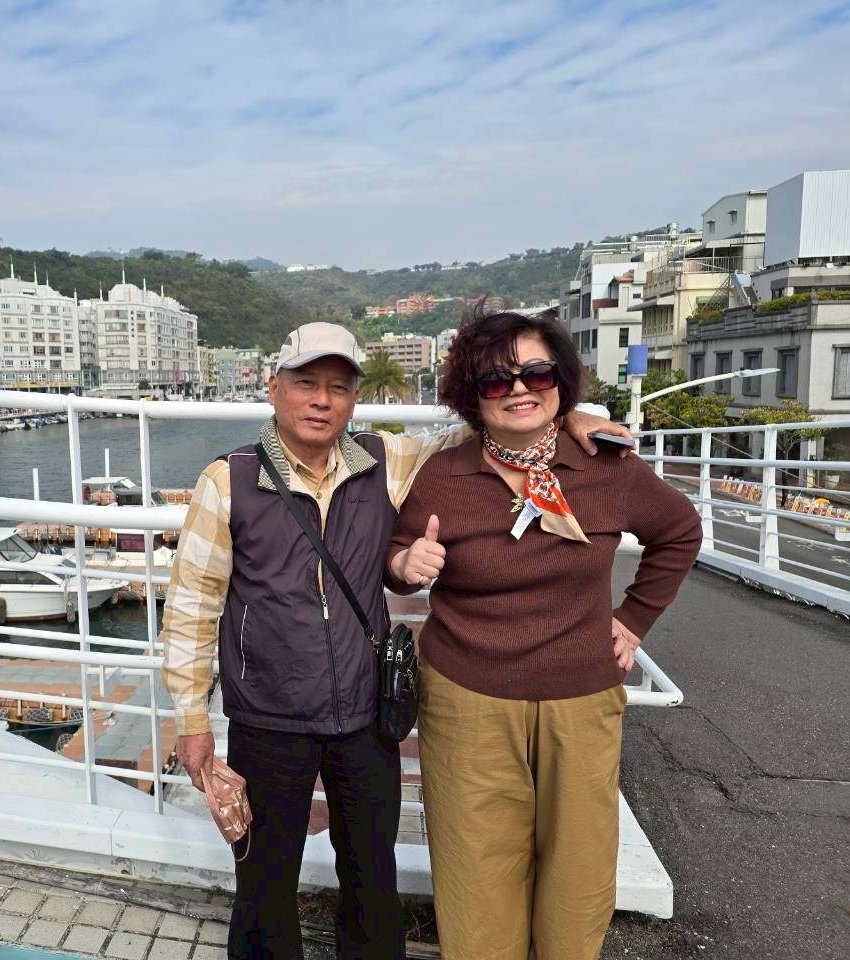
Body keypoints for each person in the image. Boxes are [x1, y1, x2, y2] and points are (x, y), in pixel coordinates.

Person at [160, 321, 631, 959]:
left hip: (364, 713)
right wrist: (191, 720)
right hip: (267, 715)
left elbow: (482, 432)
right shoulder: (229, 480)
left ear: (355, 399)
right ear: (273, 389)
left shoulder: (385, 461)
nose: (321, 400)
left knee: (372, 876)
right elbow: (192, 606)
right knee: (264, 881)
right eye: (305, 383)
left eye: (338, 387)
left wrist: (567, 416)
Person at [387, 307, 702, 960]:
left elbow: (679, 530)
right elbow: (396, 556)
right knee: (474, 875)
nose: (519, 389)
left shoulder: (605, 466)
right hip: (466, 696)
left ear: (561, 381)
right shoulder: (443, 475)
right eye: (496, 380)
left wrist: (634, 619)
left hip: (580, 697)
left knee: (579, 873)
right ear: (473, 396)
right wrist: (405, 565)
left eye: (536, 373)